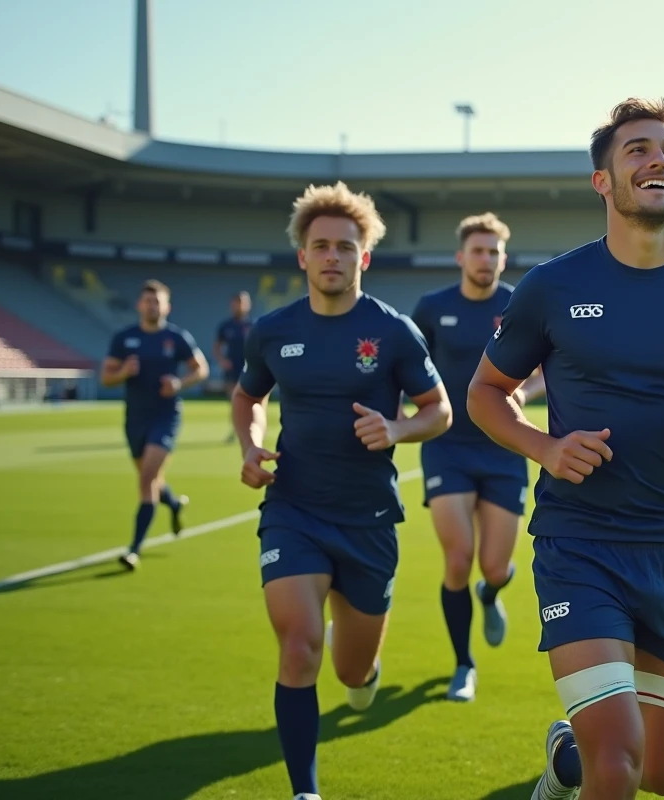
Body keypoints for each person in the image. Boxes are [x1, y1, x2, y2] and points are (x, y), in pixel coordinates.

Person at [468, 98, 664, 800]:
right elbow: (485, 391)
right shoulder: (553, 286)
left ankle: (563, 763)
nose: (658, 160)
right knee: (620, 764)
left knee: (661, 778)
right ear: (602, 181)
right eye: (637, 149)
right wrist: (543, 448)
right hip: (583, 545)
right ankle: (589, 761)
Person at [231, 181, 451, 800]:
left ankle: (363, 669)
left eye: (345, 247)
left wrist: (398, 428)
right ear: (302, 255)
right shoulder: (273, 331)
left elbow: (440, 411)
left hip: (368, 520)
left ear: (364, 257)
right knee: (300, 646)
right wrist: (250, 447)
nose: (332, 256)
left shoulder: (393, 331)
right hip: (294, 510)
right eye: (320, 245)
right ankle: (305, 790)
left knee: (351, 671)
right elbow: (249, 395)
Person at [411, 212, 546, 702]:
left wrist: (525, 395)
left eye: (494, 252)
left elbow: (548, 369)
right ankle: (463, 665)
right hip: (446, 448)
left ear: (503, 258)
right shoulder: (431, 308)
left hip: (505, 446)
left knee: (492, 567)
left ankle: (491, 593)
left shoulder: (519, 304)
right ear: (460, 256)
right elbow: (407, 368)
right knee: (457, 559)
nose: (486, 259)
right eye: (478, 250)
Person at [99, 280, 209, 570]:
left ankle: (134, 549)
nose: (152, 306)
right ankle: (173, 504)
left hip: (166, 416)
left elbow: (201, 369)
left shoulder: (176, 337)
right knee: (152, 480)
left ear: (167, 307)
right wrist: (123, 372)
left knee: (146, 479)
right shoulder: (124, 338)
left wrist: (179, 383)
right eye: (147, 301)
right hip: (135, 418)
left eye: (157, 301)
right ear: (139, 305)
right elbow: (106, 378)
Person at [215, 290, 253, 442]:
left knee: (251, 400)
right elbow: (217, 346)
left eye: (242, 302)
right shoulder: (226, 326)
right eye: (236, 302)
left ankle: (252, 428)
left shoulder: (254, 325)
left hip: (250, 369)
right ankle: (235, 430)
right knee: (233, 400)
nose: (238, 306)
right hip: (232, 368)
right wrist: (222, 360)